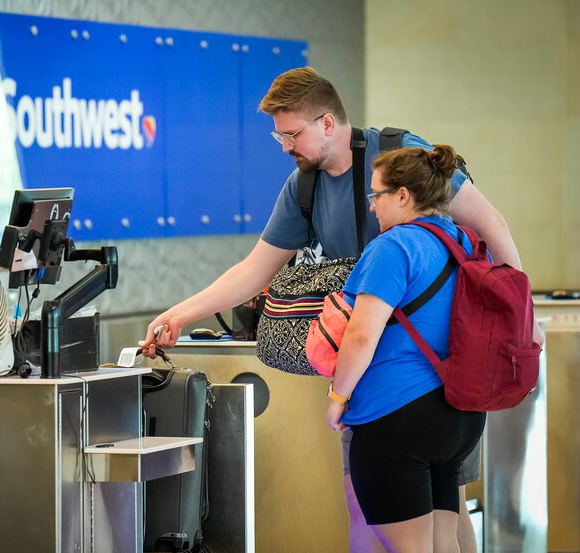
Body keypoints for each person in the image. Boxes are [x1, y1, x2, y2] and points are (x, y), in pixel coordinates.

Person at [140, 67, 541, 553]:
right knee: (394, 513)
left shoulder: (397, 160)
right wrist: (179, 315)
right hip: (381, 386)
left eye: (292, 134)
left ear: (328, 123)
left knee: (436, 516)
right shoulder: (303, 186)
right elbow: (256, 270)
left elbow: (490, 223)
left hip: (432, 376)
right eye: (278, 136)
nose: (286, 147)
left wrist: (520, 319)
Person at [325, 144, 486, 552]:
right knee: (442, 544)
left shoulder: (393, 247)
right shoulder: (463, 241)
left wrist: (337, 398)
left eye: (375, 195)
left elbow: (361, 336)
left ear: (402, 196)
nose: (372, 207)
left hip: (397, 419)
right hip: (457, 418)